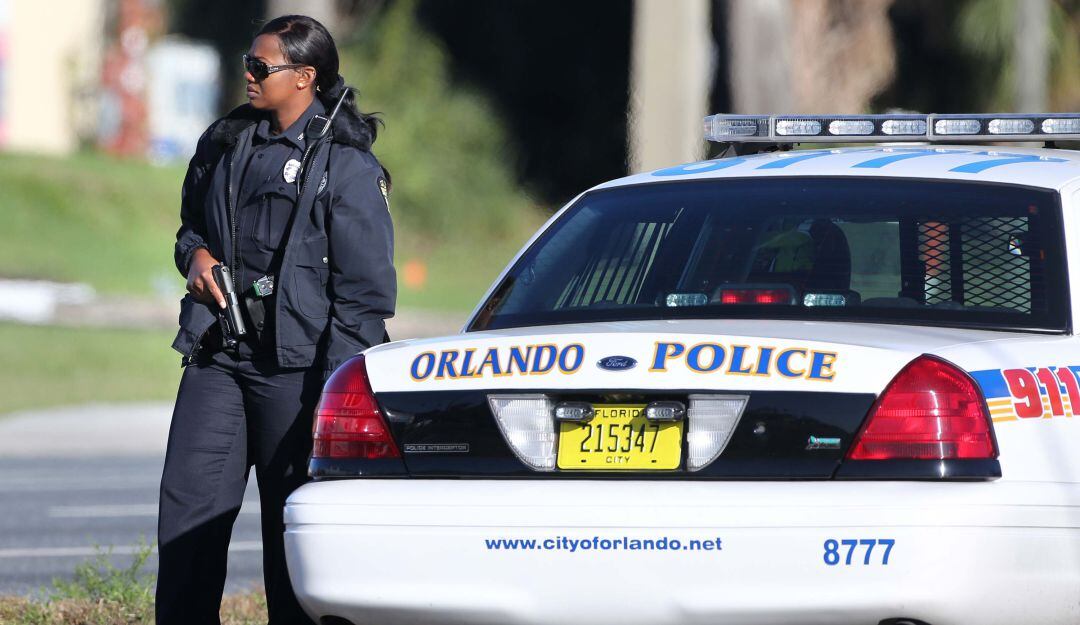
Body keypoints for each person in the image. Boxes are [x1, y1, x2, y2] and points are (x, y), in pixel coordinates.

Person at [156, 14, 395, 625]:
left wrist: (336, 392)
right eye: (249, 63)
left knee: (289, 535)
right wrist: (197, 258)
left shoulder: (347, 168)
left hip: (299, 371)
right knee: (187, 518)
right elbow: (190, 228)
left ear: (305, 77)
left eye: (263, 67)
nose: (250, 76)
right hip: (219, 358)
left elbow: (365, 299)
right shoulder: (226, 141)